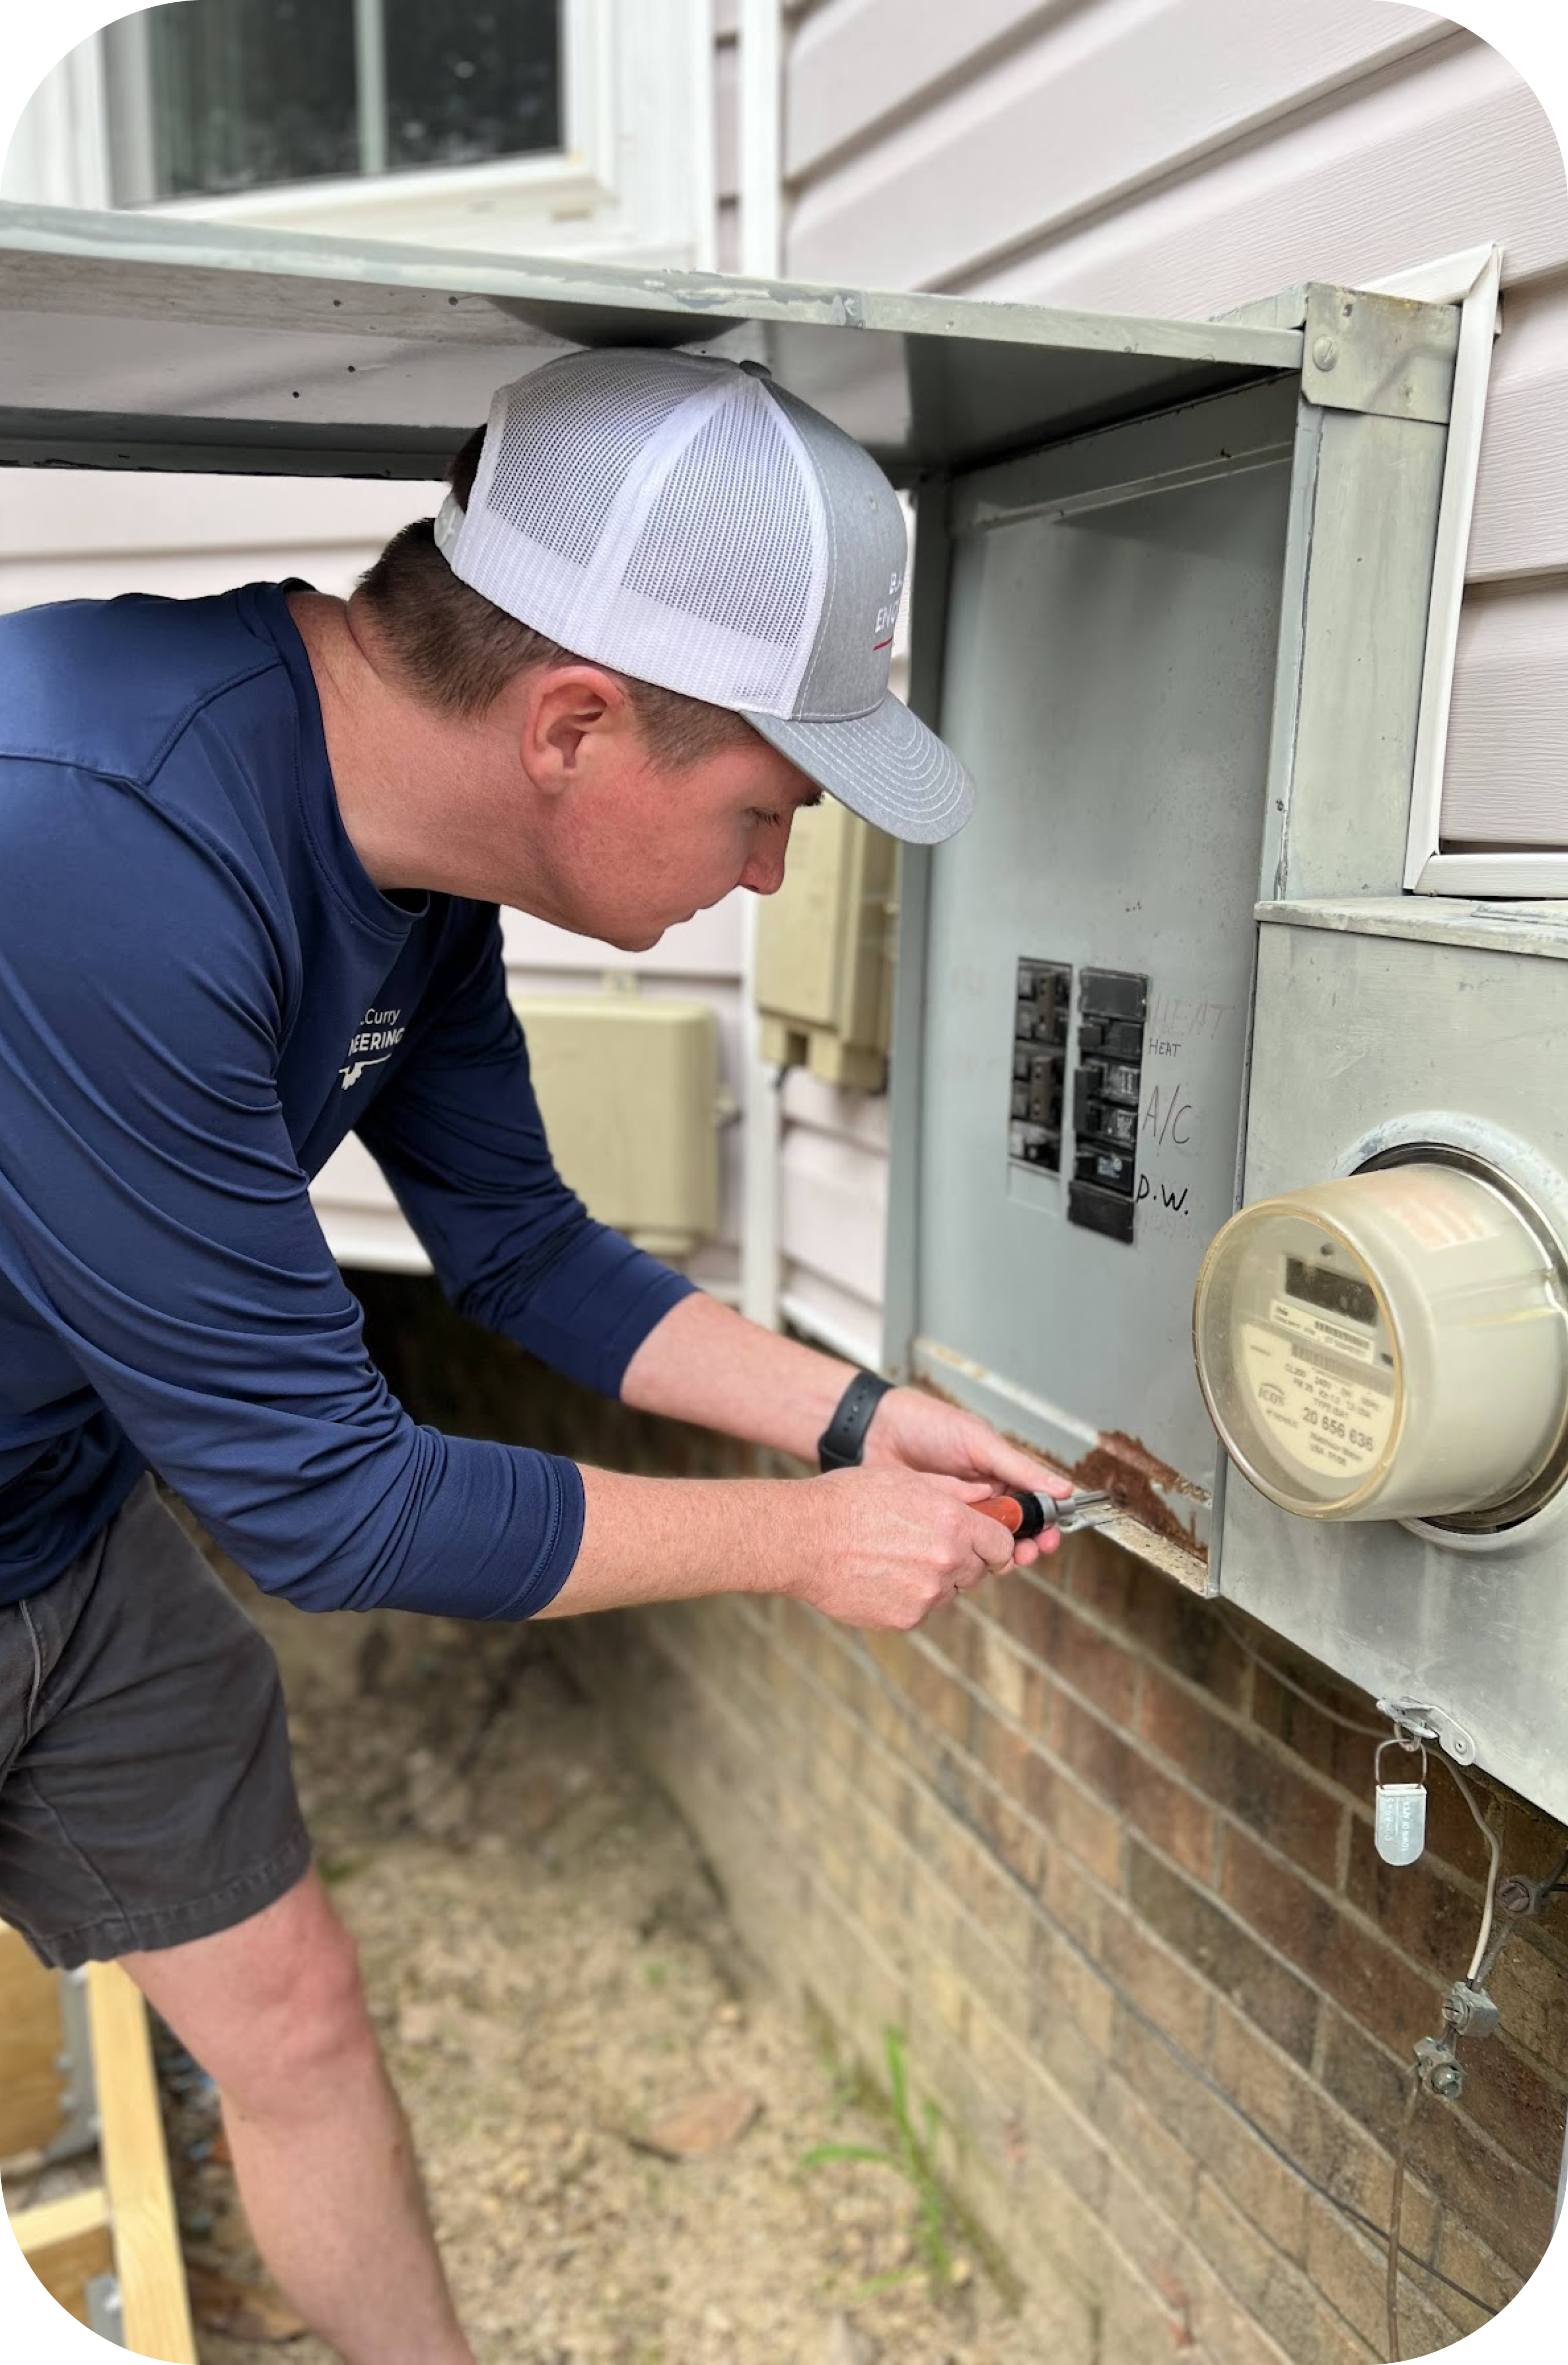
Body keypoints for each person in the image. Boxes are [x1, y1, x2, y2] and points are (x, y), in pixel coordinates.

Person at [0, 349, 1069, 2363]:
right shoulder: (90, 837)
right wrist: (803, 1540)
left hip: (52, 1518)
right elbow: (327, 1502)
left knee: (295, 2014)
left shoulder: (413, 854)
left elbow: (521, 1252)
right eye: (765, 809)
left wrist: (857, 1414)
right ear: (573, 721)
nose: (768, 872)